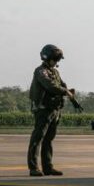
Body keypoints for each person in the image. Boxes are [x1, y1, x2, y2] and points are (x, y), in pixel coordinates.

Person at [28, 44, 81, 177]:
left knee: (49, 139)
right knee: (37, 138)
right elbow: (50, 86)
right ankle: (34, 167)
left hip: (54, 110)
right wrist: (65, 91)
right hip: (43, 109)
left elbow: (62, 85)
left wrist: (72, 98)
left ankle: (48, 167)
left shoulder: (55, 72)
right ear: (47, 58)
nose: (56, 62)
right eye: (55, 59)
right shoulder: (40, 71)